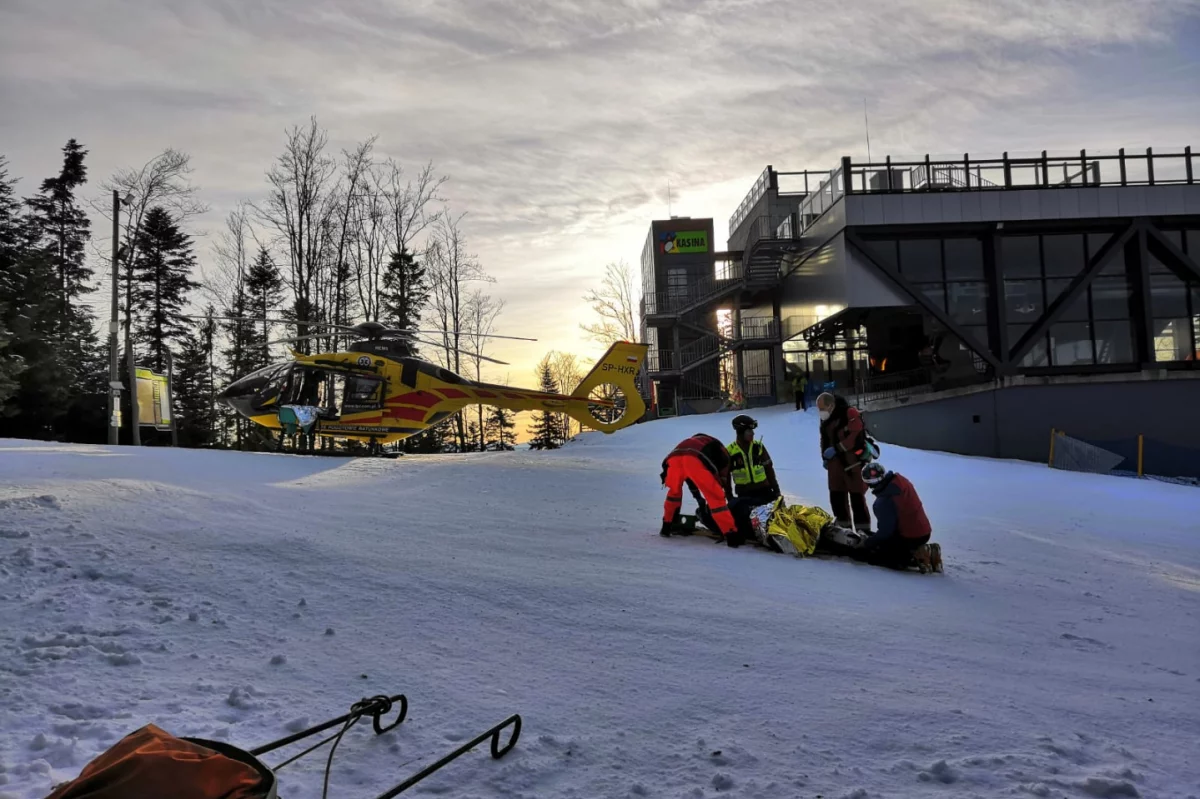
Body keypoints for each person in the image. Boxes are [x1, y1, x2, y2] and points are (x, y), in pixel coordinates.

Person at [660, 433, 746, 547]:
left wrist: (700, 501)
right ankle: (731, 535)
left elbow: (691, 479)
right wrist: (721, 487)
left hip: (673, 460)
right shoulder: (722, 451)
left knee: (673, 495)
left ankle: (666, 526)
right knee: (716, 499)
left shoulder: (696, 443)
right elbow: (720, 477)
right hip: (694, 459)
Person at [854, 462, 940, 571]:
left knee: (876, 557)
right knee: (883, 542)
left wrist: (866, 544)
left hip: (911, 537)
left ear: (870, 484)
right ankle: (920, 550)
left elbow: (886, 532)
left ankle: (919, 554)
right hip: (924, 530)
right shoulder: (900, 480)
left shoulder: (882, 502)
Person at [817, 392, 872, 532]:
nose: (821, 412)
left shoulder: (849, 413)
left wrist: (837, 449)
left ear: (831, 405)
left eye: (822, 408)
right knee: (837, 499)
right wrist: (824, 457)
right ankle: (844, 531)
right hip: (834, 466)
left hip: (852, 464)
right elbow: (824, 439)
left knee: (857, 500)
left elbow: (854, 436)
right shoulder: (826, 420)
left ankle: (863, 532)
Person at [726, 414, 781, 507]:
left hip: (765, 492)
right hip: (744, 496)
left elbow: (769, 470)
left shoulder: (758, 447)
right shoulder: (730, 451)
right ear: (740, 432)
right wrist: (730, 497)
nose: (753, 433)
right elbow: (726, 478)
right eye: (749, 431)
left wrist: (777, 492)